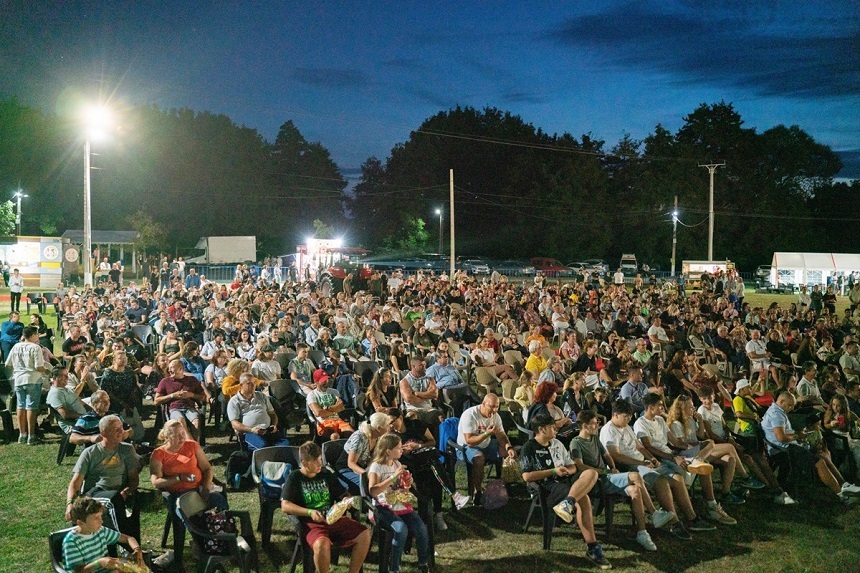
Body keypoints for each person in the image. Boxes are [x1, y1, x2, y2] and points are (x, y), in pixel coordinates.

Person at [600, 398, 714, 539]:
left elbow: (639, 446)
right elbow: (615, 456)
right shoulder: (609, 430)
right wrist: (642, 463)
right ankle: (674, 523)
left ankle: (692, 518)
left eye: (630, 416)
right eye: (625, 417)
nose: (628, 419)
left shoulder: (626, 427)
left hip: (642, 463)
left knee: (677, 477)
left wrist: (651, 458)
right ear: (615, 415)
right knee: (661, 481)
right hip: (628, 467)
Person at [570, 410, 674, 551]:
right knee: (635, 476)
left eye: (597, 423)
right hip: (597, 480)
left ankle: (642, 533)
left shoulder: (595, 439)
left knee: (635, 490)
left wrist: (612, 467)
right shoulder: (576, 443)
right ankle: (654, 513)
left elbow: (607, 455)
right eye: (594, 424)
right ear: (584, 425)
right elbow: (580, 465)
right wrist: (605, 471)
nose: (597, 426)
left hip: (608, 476)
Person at [520, 414, 610, 569]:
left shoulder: (557, 443)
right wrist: (553, 471)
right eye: (552, 427)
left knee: (592, 473)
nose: (556, 429)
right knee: (584, 499)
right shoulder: (529, 447)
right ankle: (592, 547)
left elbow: (573, 466)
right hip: (546, 486)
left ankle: (568, 502)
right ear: (541, 429)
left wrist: (566, 470)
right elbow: (527, 476)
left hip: (564, 479)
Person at [280, 441, 371, 573]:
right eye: (316, 461)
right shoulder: (295, 477)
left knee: (364, 534)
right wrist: (310, 512)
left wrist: (345, 500)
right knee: (322, 544)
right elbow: (285, 506)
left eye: (320, 460)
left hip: (332, 518)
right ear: (305, 463)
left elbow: (342, 494)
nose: (320, 464)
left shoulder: (326, 474)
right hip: (311, 523)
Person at [149, 419, 227, 568]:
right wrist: (178, 478)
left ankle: (223, 539)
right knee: (190, 512)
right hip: (178, 494)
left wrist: (205, 488)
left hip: (198, 488)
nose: (182, 438)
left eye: (183, 433)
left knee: (218, 500)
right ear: (167, 436)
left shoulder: (192, 446)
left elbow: (207, 469)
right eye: (177, 435)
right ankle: (204, 545)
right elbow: (156, 481)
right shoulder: (159, 454)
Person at [762, 392, 860, 503]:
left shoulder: (776, 411)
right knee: (819, 462)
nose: (792, 408)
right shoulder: (776, 415)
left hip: (789, 446)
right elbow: (781, 438)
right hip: (786, 450)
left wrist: (798, 434)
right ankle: (842, 495)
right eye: (790, 405)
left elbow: (782, 434)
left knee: (823, 455)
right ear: (781, 402)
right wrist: (798, 435)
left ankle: (844, 484)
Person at [66, 415, 141, 541]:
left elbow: (134, 478)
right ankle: (124, 543)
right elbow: (75, 483)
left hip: (118, 493)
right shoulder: (90, 453)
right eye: (115, 429)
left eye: (121, 428)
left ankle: (132, 548)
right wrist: (70, 505)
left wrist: (127, 491)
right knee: (114, 500)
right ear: (103, 433)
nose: (120, 432)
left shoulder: (127, 449)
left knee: (121, 499)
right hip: (96, 492)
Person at [367, 433, 431, 573]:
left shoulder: (397, 463)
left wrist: (407, 481)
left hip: (399, 504)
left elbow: (400, 486)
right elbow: (373, 491)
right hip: (381, 507)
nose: (401, 450)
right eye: (398, 448)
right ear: (388, 451)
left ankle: (423, 563)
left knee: (421, 528)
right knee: (401, 529)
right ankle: (394, 568)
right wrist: (393, 476)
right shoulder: (376, 467)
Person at [456, 394, 517, 503]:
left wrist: (509, 448)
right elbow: (469, 441)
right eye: (491, 407)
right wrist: (486, 433)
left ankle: (504, 484)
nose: (494, 410)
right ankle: (477, 490)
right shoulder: (470, 415)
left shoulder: (495, 416)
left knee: (505, 452)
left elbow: (501, 436)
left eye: (497, 407)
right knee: (479, 458)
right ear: (483, 404)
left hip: (486, 444)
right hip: (465, 447)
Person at [62, 496, 144, 573]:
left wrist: (137, 549)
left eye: (100, 517)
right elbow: (79, 571)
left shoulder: (100, 531)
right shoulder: (72, 542)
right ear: (80, 523)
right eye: (96, 518)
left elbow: (128, 538)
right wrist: (99, 563)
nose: (101, 521)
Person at [6, 325, 49, 444]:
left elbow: (7, 364)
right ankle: (31, 435)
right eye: (37, 334)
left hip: (18, 379)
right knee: (31, 407)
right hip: (32, 379)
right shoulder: (36, 348)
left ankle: (22, 434)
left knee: (20, 406)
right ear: (33, 335)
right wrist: (47, 370)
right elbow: (38, 366)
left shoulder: (16, 346)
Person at [227, 372, 291, 451]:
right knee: (263, 448)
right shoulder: (234, 401)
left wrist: (274, 424)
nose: (253, 385)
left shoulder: (261, 396)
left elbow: (272, 414)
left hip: (268, 430)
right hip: (250, 433)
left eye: (254, 382)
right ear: (241, 385)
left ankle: (279, 462)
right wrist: (252, 430)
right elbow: (235, 424)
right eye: (249, 383)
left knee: (285, 445)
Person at [336, 412, 391, 492]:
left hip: (363, 468)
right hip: (346, 469)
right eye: (387, 426)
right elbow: (351, 463)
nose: (389, 427)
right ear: (379, 428)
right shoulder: (360, 437)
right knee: (369, 485)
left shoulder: (378, 437)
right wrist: (368, 475)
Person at [99, 351, 145, 442]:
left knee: (136, 427)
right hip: (114, 402)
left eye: (125, 358)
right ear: (114, 360)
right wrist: (122, 403)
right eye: (120, 358)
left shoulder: (128, 370)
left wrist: (131, 398)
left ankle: (135, 439)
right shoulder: (108, 373)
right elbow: (107, 391)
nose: (123, 360)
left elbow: (133, 385)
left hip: (129, 401)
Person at [155, 359, 207, 438]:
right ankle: (191, 444)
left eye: (172, 367)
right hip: (174, 408)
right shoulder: (165, 381)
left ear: (180, 369)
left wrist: (191, 395)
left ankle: (195, 444)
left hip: (189, 407)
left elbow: (203, 397)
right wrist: (172, 395)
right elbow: (156, 401)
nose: (169, 370)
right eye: (169, 368)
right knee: (181, 420)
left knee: (196, 422)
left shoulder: (192, 380)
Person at [307, 368, 354, 441]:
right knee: (334, 436)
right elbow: (319, 412)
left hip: (338, 420)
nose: (326, 382)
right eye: (323, 381)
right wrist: (335, 409)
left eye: (326, 379)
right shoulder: (312, 395)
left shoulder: (334, 392)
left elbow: (341, 407)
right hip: (324, 422)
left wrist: (327, 409)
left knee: (353, 435)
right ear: (316, 381)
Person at [399, 356, 443, 427]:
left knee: (439, 418)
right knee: (412, 419)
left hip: (428, 408)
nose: (424, 368)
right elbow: (409, 398)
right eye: (421, 366)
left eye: (424, 365)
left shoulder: (430, 379)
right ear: (413, 366)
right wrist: (427, 395)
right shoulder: (404, 381)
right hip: (412, 409)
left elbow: (435, 394)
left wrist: (416, 393)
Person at [46, 365, 92, 435]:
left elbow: (82, 403)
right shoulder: (55, 393)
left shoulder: (67, 389)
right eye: (63, 375)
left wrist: (94, 413)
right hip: (75, 424)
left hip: (83, 420)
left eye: (67, 375)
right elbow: (65, 414)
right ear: (55, 378)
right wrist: (84, 417)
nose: (67, 378)